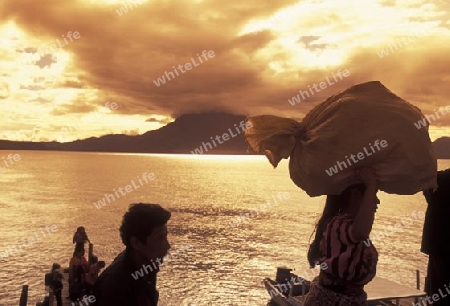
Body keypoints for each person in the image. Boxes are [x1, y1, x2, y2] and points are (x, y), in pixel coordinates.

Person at [304, 168, 379, 305]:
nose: (377, 202)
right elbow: (360, 232)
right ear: (356, 196)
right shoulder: (339, 224)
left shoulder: (343, 224)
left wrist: (370, 187)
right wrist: (371, 185)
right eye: (373, 195)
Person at [93, 203, 171, 306]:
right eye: (160, 238)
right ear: (136, 243)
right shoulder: (116, 289)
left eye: (165, 236)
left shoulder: (148, 266)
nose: (168, 246)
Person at [421, 168, 450, 305]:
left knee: (437, 291)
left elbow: (428, 194)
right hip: (439, 246)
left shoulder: (438, 179)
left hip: (439, 245)